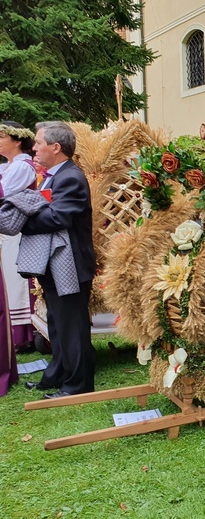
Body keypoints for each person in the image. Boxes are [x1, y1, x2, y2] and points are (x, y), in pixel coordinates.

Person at [23, 121, 96, 398]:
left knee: (72, 326)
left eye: (39, 143)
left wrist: (22, 219)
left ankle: (78, 385)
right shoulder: (55, 175)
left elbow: (57, 217)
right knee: (57, 323)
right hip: (57, 264)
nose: (34, 147)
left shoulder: (70, 177)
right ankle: (56, 376)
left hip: (71, 265)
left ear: (56, 147)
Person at [0, 121, 37, 396]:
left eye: (1, 136)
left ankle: (22, 337)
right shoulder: (10, 166)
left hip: (13, 230)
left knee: (16, 285)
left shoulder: (23, 166)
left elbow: (8, 195)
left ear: (16, 140)